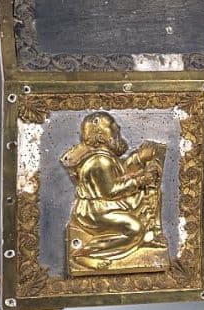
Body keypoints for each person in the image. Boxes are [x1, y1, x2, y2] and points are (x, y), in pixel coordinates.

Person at [60, 112, 167, 271]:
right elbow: (110, 191)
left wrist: (138, 158)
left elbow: (120, 172)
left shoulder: (106, 156)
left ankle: (150, 235)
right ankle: (85, 254)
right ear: (100, 136)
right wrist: (139, 180)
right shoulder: (99, 161)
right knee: (134, 229)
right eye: (112, 125)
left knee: (150, 194)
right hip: (95, 212)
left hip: (106, 206)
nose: (118, 127)